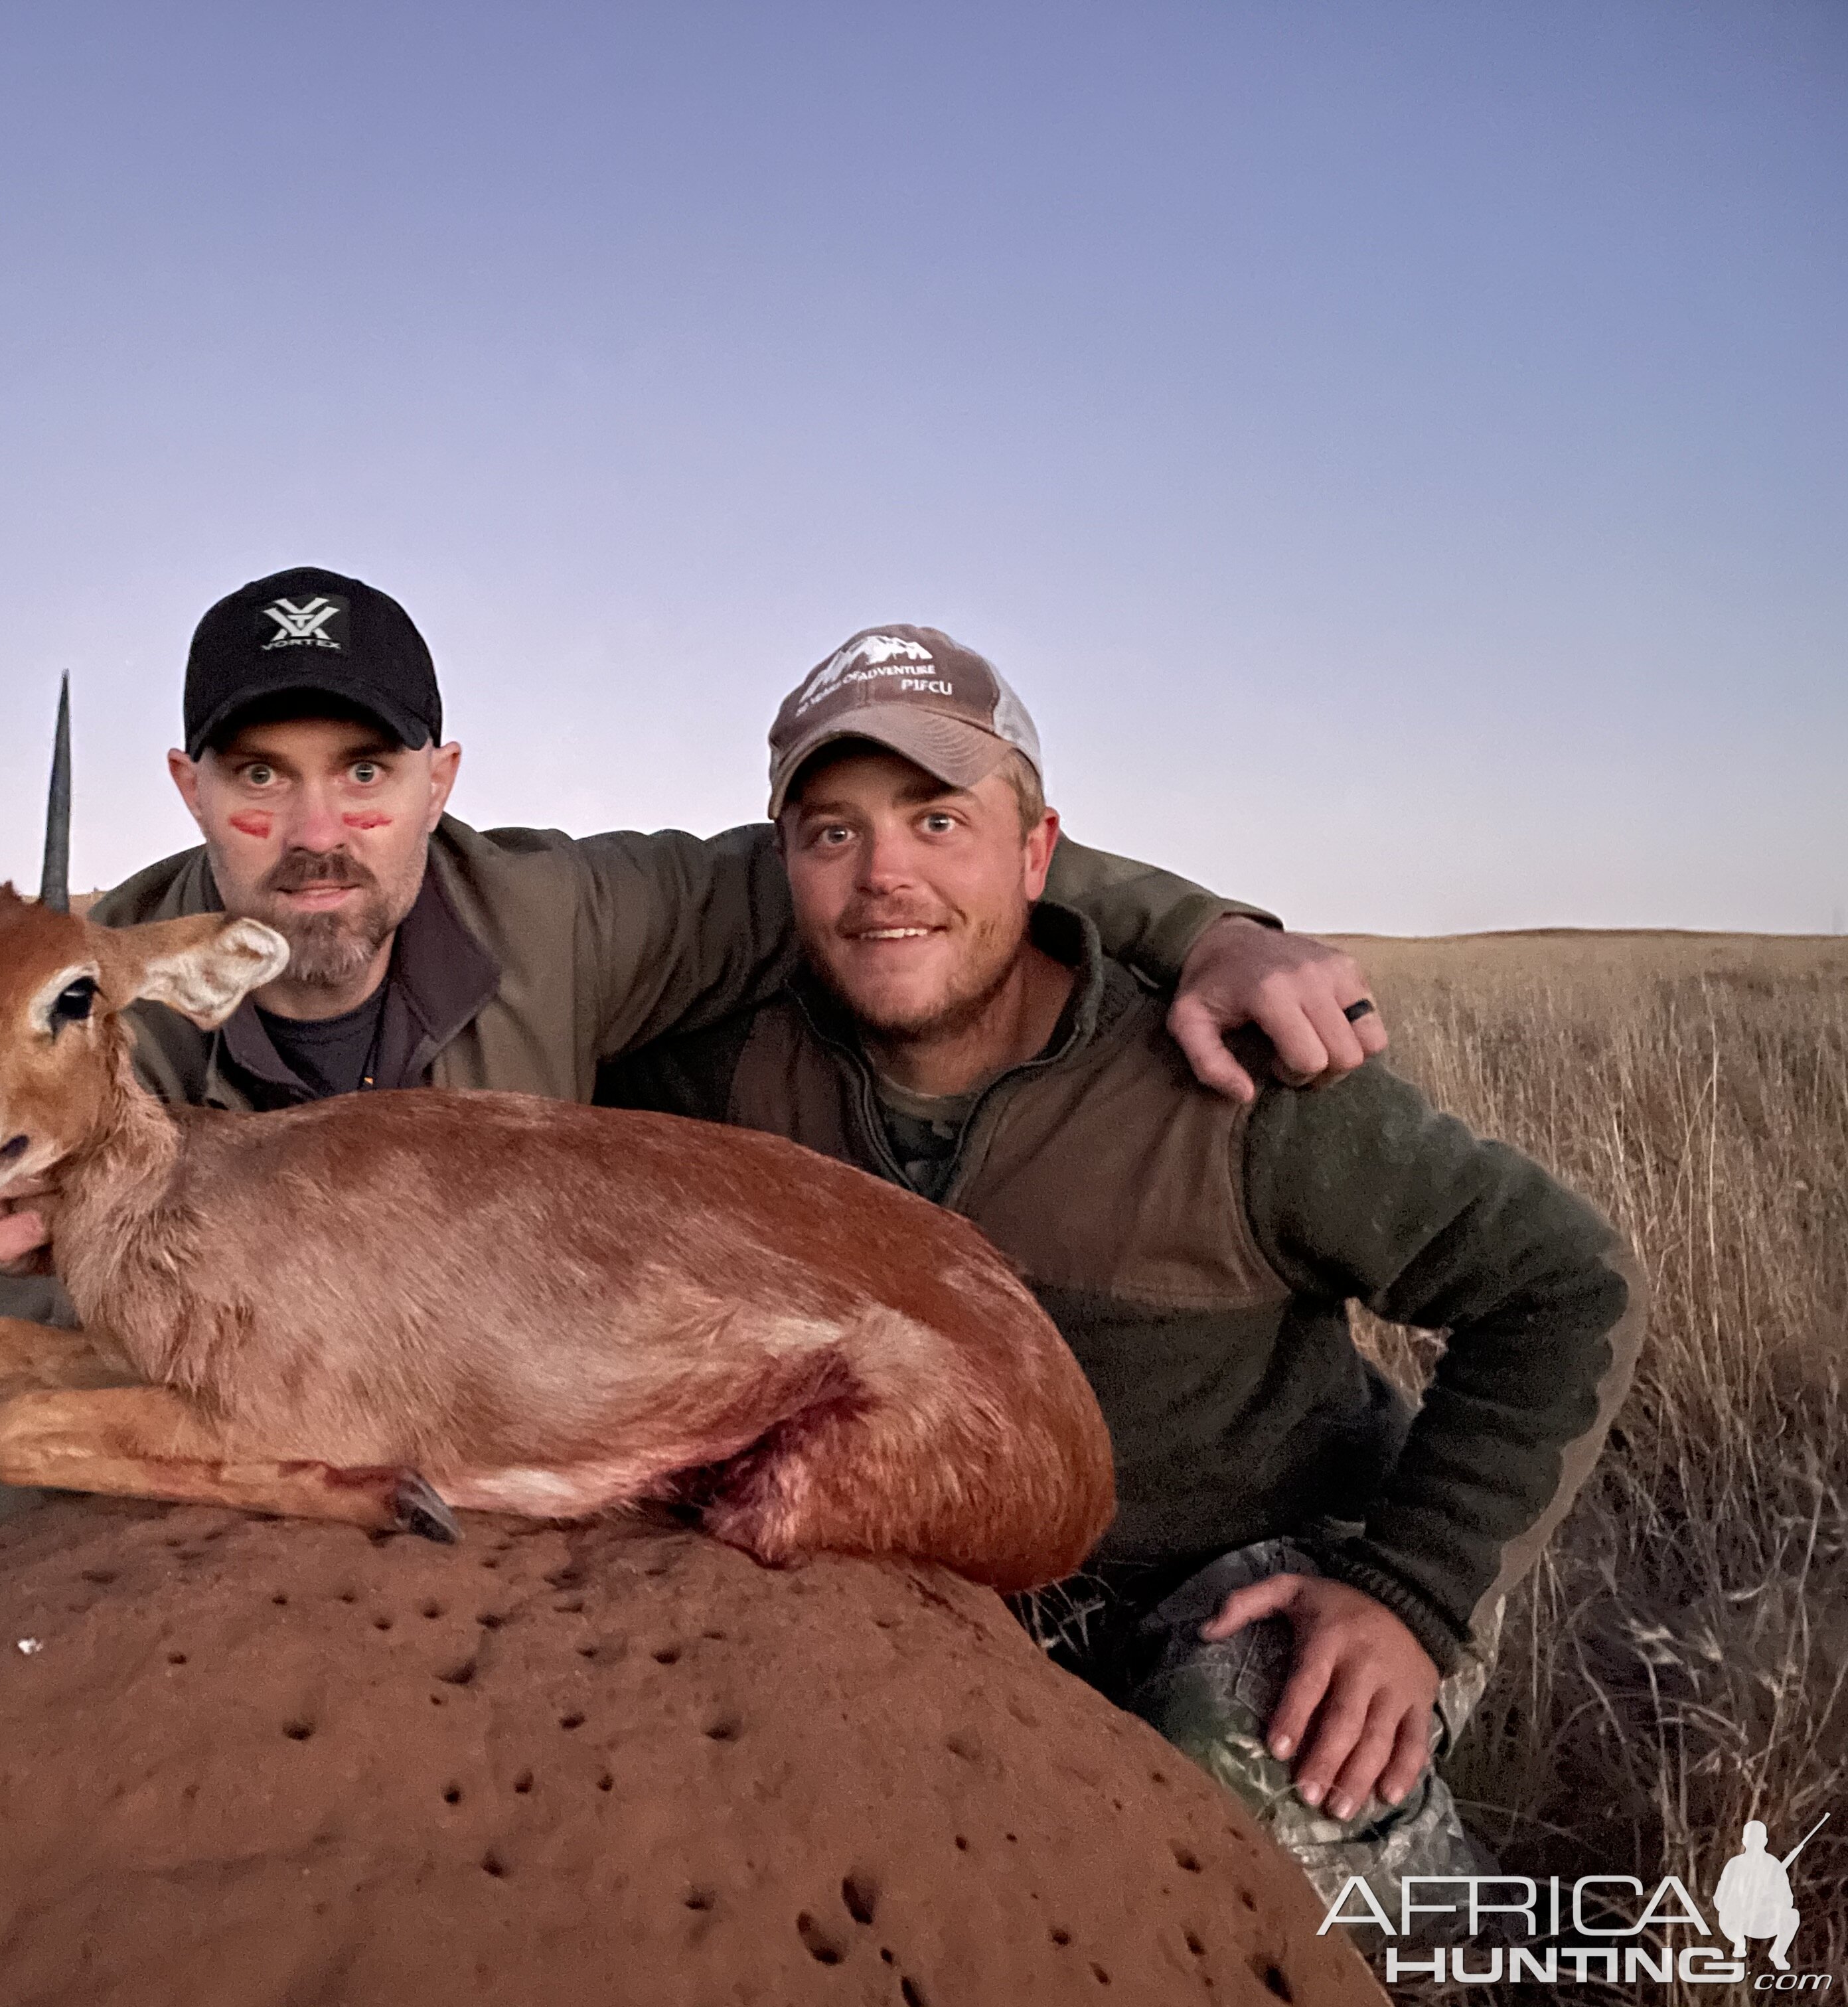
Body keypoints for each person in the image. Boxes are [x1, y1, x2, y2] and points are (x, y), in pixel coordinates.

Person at [0, 569, 1387, 1535]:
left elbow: (895, 862)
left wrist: (1205, 930)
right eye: (259, 781)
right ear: (189, 788)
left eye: (365, 775)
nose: (317, 836)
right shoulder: (91, 976)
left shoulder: (567, 912)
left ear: (440, 779)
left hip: (510, 1369)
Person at [599, 625, 1646, 1913]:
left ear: (1040, 856)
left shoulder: (1228, 1080)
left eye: (938, 822)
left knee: (1229, 1790)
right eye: (832, 833)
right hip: (953, 1592)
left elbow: (1564, 1282)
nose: (883, 876)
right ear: (785, 873)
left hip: (1245, 1572)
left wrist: (1409, 1594)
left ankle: (1439, 1951)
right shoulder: (722, 1080)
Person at [1715, 1821, 1804, 1970]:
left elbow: (1787, 1901)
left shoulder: (1774, 1865)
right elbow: (1720, 1900)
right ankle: (1739, 1943)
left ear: (1765, 1841)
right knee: (1726, 1914)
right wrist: (1740, 1901)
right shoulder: (1734, 1865)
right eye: (1752, 1840)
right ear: (1744, 1841)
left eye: (1757, 1840)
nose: (1754, 1844)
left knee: (1792, 1916)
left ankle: (1778, 1954)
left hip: (1765, 1921)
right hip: (1740, 1921)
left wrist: (1770, 1899)